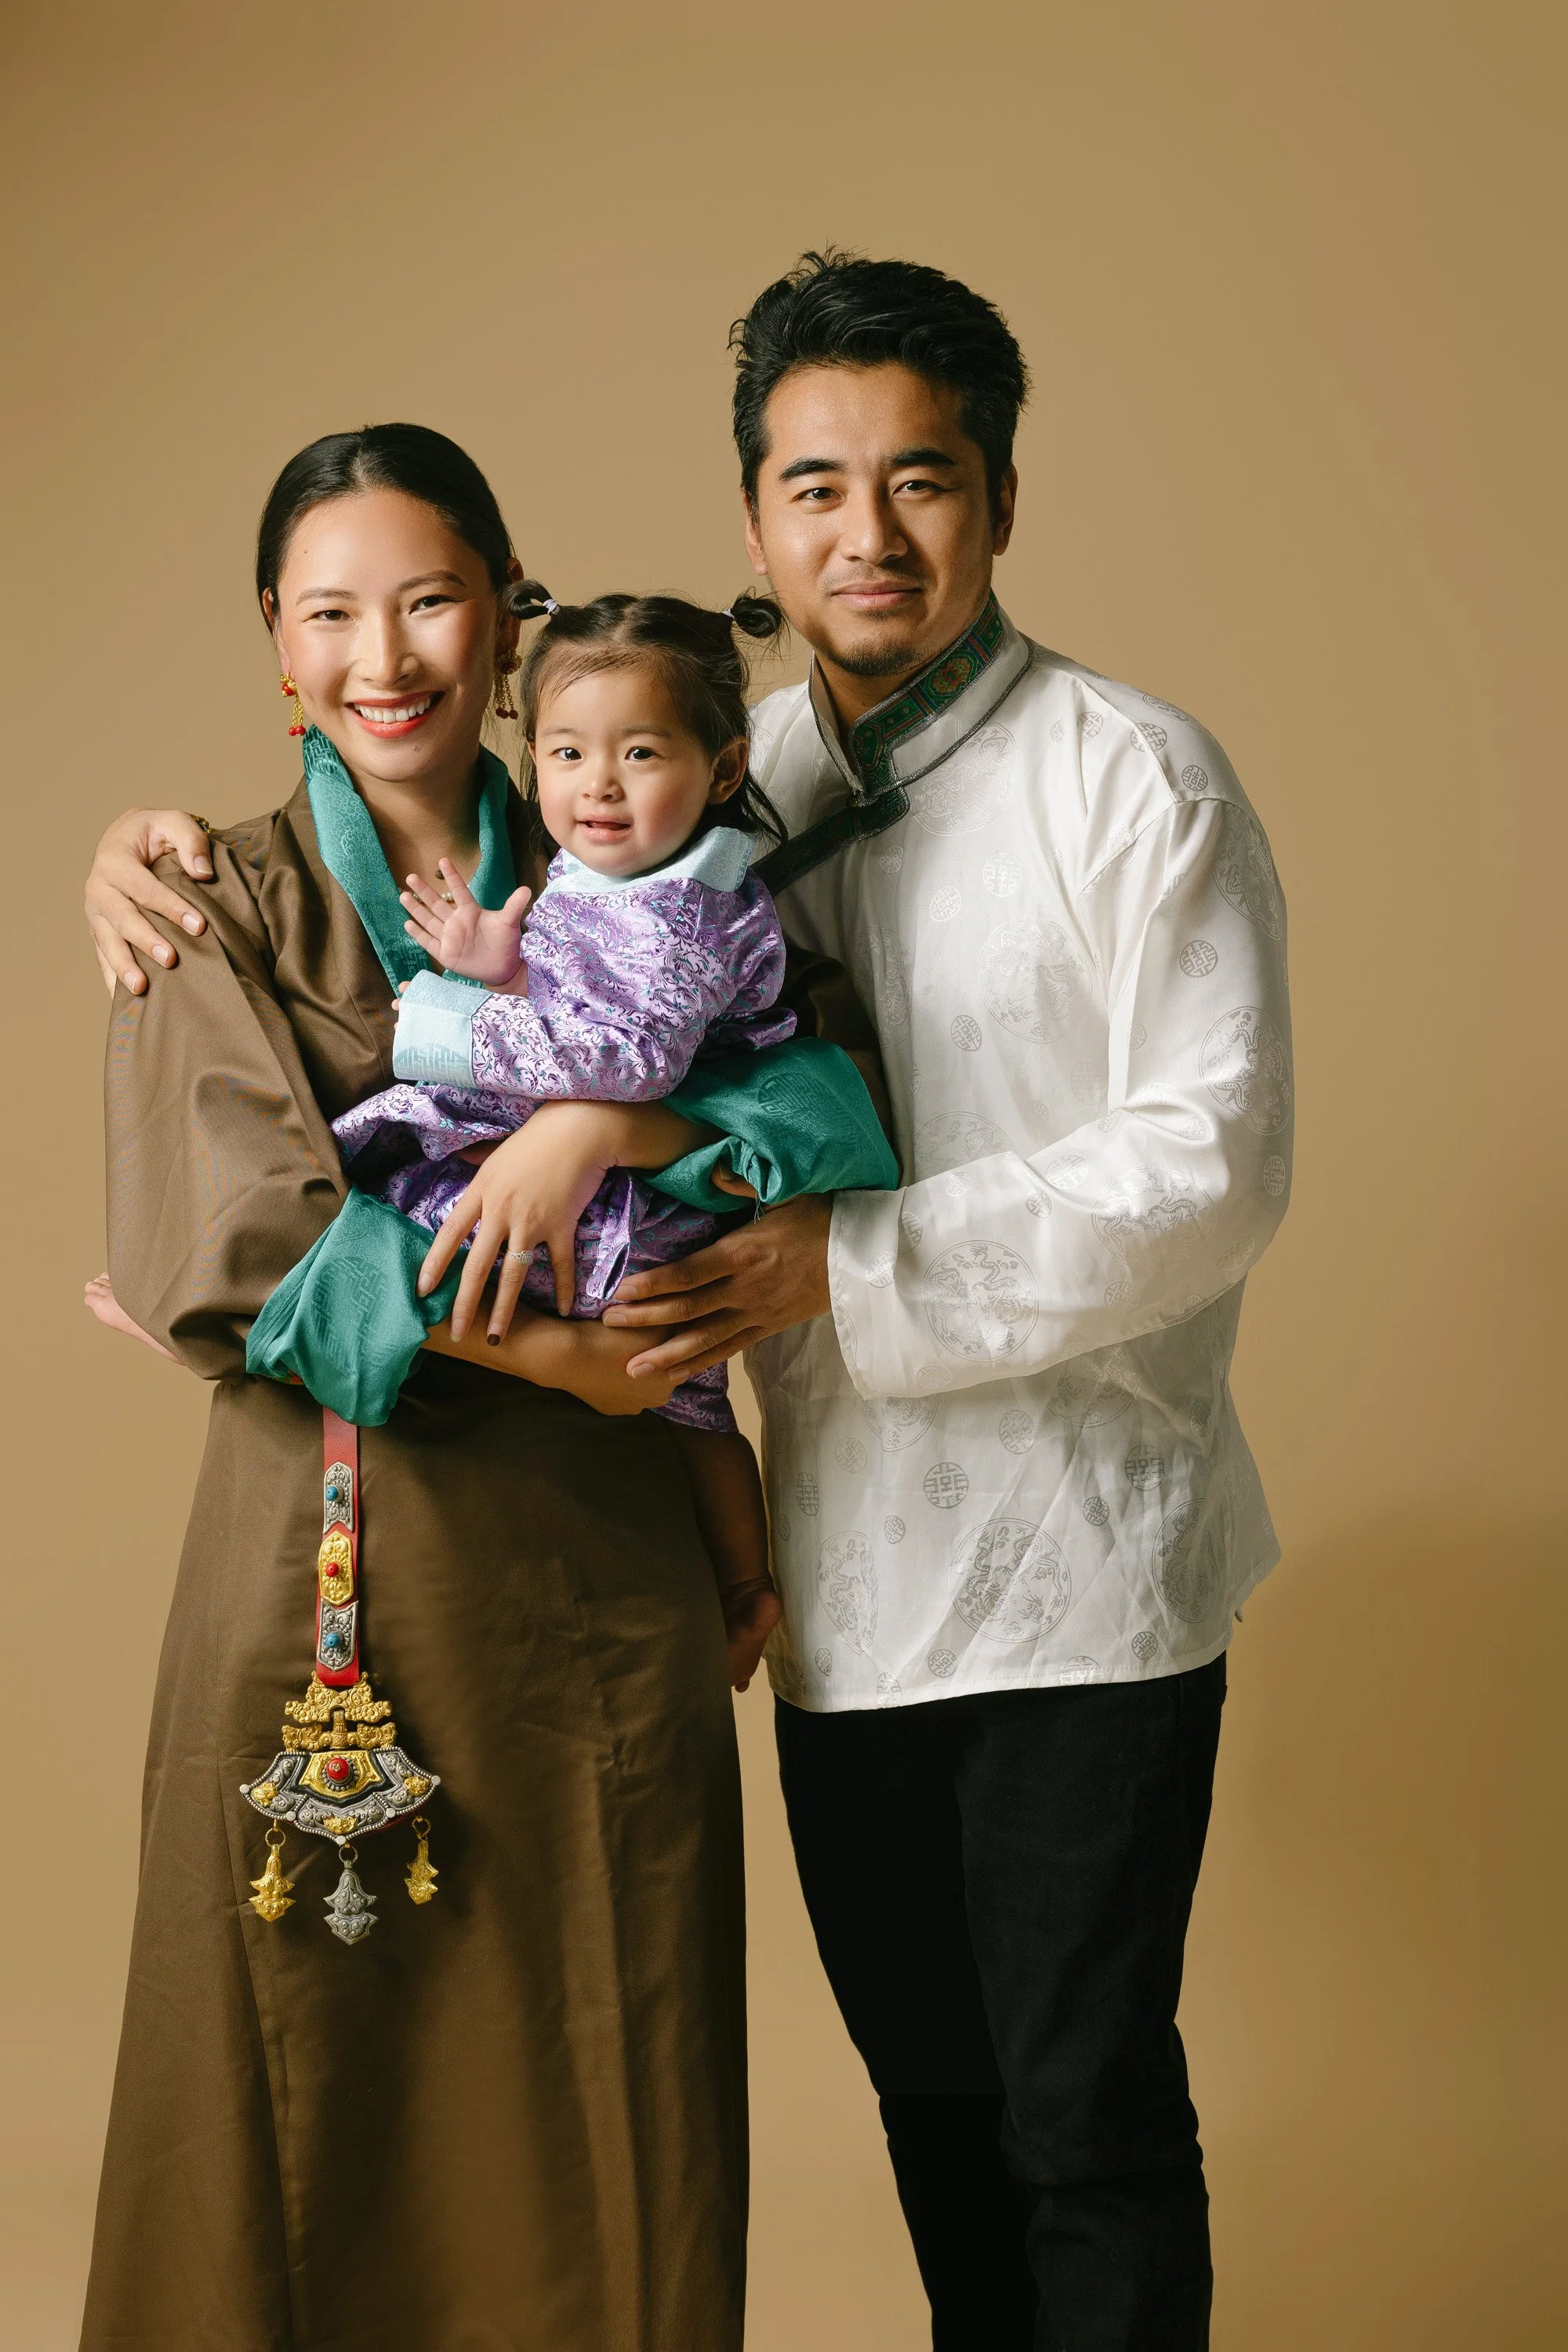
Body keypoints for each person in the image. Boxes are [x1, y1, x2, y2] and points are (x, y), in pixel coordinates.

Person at [86, 253, 1294, 2352]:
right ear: (754, 527)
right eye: (816, 487)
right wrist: (135, 851)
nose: (868, 532)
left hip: (966, 1565)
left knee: (1040, 2105)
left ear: (1002, 497)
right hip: (640, 1580)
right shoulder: (571, 810)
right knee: (924, 2108)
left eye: (920, 482)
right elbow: (282, 1218)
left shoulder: (1025, 785)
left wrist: (675, 1167)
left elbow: (1090, 1150)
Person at [74, 420, 884, 2352]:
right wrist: (576, 1362)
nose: (386, 657)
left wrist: (596, 1121)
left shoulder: (651, 846)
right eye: (329, 612)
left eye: (430, 600)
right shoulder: (215, 892)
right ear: (275, 645)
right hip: (335, 1570)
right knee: (307, 2081)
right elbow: (246, 1241)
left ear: (510, 626)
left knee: (608, 2068)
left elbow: (824, 1099)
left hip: (602, 1590)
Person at [319, 585, 894, 1687]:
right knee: (694, 1404)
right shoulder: (608, 877)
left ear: (723, 771)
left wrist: (462, 1024)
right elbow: (585, 997)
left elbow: (632, 1059)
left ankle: (274, 1328)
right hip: (647, 1193)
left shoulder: (691, 909)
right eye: (568, 752)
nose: (599, 785)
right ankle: (742, 1587)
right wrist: (507, 965)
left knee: (386, 1203)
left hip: (659, 1201)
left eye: (640, 753)